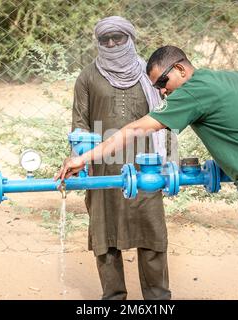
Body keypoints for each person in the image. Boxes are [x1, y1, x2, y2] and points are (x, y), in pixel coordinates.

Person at [55, 45, 238, 300]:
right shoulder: (233, 78)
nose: (163, 91)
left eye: (163, 82)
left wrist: (84, 158)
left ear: (180, 68)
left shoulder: (192, 91)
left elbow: (135, 129)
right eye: (157, 88)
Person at [65, 17, 171, 300]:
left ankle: (158, 298)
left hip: (146, 167)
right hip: (102, 170)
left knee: (152, 237)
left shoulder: (149, 73)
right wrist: (78, 158)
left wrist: (166, 162)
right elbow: (80, 125)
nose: (111, 44)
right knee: (105, 238)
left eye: (118, 38)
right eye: (105, 39)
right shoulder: (87, 76)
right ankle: (113, 298)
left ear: (130, 38)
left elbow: (165, 117)